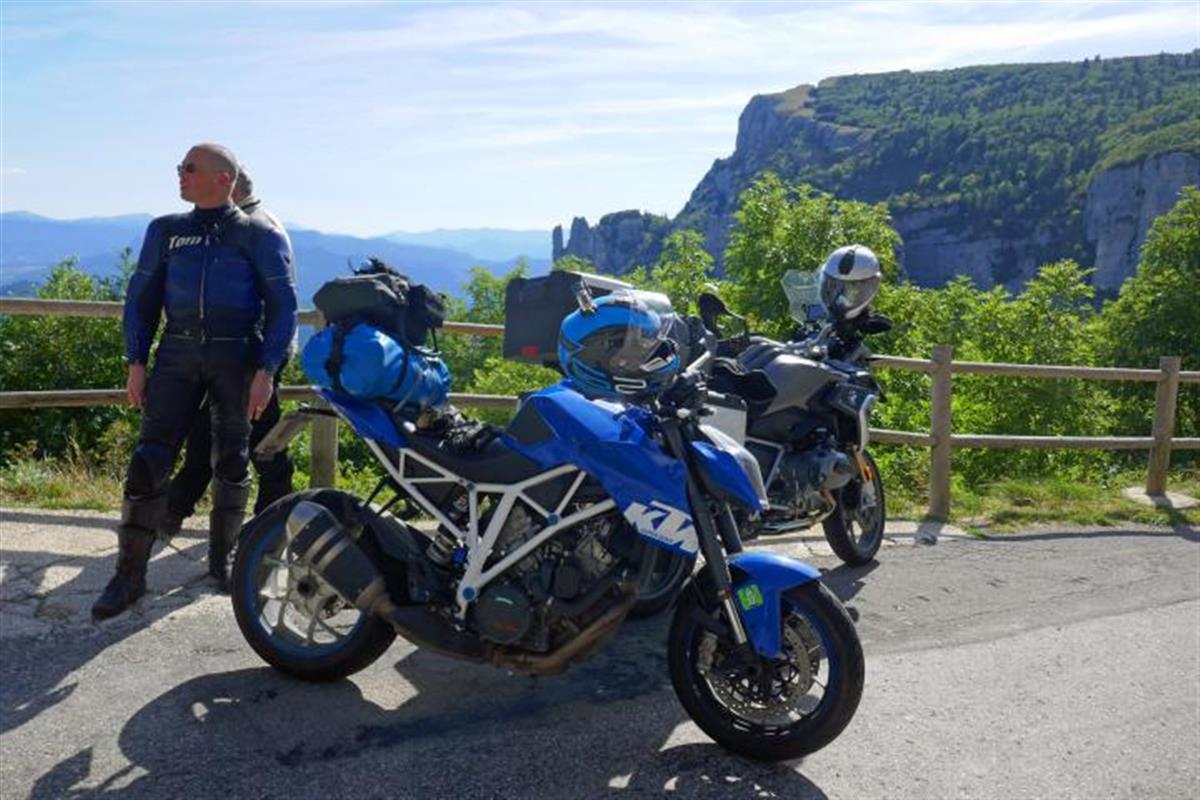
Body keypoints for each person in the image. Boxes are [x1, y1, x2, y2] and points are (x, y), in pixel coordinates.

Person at [92, 143, 298, 621]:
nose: (180, 174)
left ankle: (223, 561)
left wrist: (267, 370)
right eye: (180, 167)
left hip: (236, 353)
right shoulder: (165, 230)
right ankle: (128, 576)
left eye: (189, 168)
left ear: (224, 179)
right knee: (149, 460)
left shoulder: (260, 233)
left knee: (231, 459)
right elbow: (141, 297)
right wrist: (135, 360)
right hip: (177, 351)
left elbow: (283, 306)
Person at [158, 168, 296, 543]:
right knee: (247, 438)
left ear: (228, 190)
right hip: (251, 352)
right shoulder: (262, 224)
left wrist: (264, 366)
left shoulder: (254, 229)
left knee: (249, 440)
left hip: (251, 353)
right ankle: (269, 521)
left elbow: (272, 303)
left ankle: (265, 524)